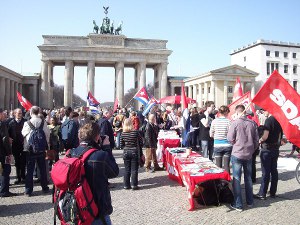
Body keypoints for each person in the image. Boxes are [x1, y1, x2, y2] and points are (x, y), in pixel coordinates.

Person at [70, 122, 119, 225]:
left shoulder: (71, 153)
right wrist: (106, 148)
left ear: (80, 136)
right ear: (97, 137)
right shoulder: (100, 155)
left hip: (76, 207)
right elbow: (114, 172)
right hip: (96, 208)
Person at [227, 104, 259, 211]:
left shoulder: (235, 123)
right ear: (245, 112)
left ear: (237, 112)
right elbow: (256, 141)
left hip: (237, 153)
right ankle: (249, 201)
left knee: (236, 179)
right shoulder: (253, 124)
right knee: (248, 178)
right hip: (248, 154)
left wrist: (235, 144)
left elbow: (229, 138)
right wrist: (251, 150)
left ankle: (238, 204)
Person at [254, 112, 284, 200]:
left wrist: (259, 140)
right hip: (276, 149)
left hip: (267, 149)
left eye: (265, 110)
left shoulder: (269, 120)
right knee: (274, 171)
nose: (264, 112)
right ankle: (273, 192)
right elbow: (280, 136)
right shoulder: (279, 120)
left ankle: (262, 193)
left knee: (265, 172)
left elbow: (265, 136)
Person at [21, 106, 50, 197]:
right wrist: (47, 145)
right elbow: (47, 134)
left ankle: (28, 190)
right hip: (41, 149)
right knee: (42, 169)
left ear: (30, 112)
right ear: (39, 112)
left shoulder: (27, 122)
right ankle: (45, 187)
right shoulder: (43, 122)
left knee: (29, 170)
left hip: (30, 149)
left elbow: (23, 134)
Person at [120, 118, 143, 190]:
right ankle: (134, 185)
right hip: (134, 151)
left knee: (127, 169)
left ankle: (126, 185)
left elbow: (121, 145)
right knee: (134, 169)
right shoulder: (135, 132)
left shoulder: (123, 133)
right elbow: (141, 142)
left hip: (126, 152)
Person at [0, 108, 17, 197]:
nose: (4, 115)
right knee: (5, 170)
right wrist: (9, 153)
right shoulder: (2, 124)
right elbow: (4, 139)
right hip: (2, 152)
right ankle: (4, 191)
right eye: (2, 113)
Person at [209, 105, 232, 174]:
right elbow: (231, 134)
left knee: (218, 165)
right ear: (226, 112)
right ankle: (227, 182)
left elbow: (211, 134)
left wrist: (216, 137)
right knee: (226, 165)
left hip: (217, 144)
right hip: (227, 145)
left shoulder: (214, 121)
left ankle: (219, 182)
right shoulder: (229, 121)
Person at [8, 108, 27, 184]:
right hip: (15, 145)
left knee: (23, 161)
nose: (20, 114)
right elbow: (8, 133)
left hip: (23, 144)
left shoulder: (25, 122)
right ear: (15, 114)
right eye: (18, 113)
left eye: (21, 113)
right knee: (17, 162)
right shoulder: (11, 122)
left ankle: (23, 176)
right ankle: (18, 177)